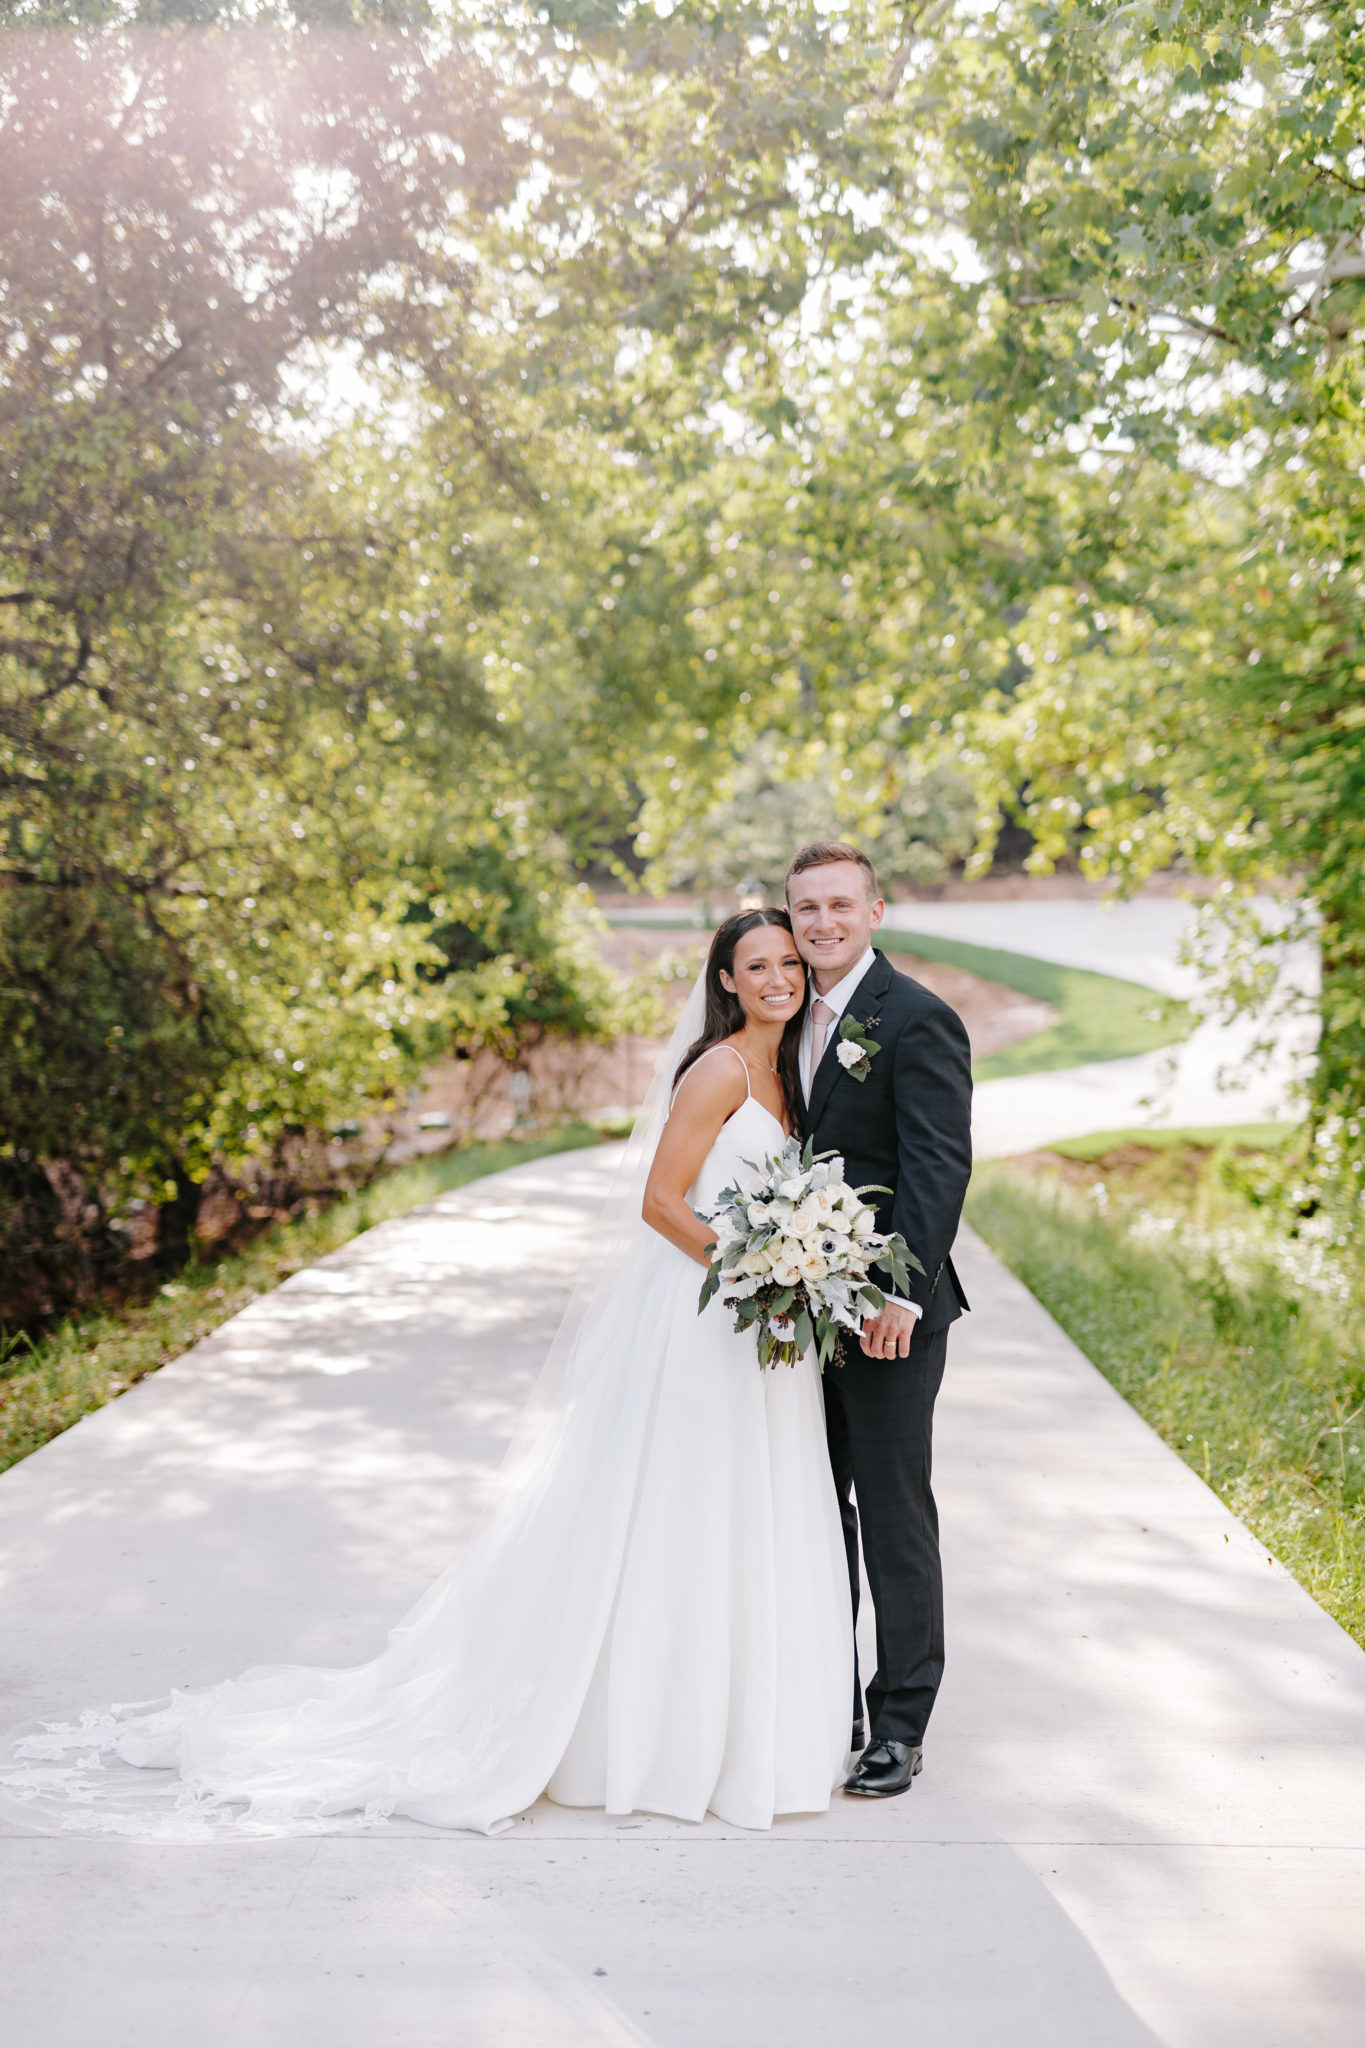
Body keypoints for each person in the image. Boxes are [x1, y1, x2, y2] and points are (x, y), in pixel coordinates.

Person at [0, 910, 854, 1840]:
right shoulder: (721, 1069)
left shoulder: (792, 1069)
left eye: (785, 962)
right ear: (724, 981)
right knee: (685, 1516)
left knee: (744, 1513)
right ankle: (653, 1739)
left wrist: (793, 1266)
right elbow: (659, 1201)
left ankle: (736, 1728)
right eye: (754, 964)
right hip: (706, 1323)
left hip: (759, 1337)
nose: (776, 977)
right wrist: (756, 1267)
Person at [786, 841, 973, 1799]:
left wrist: (900, 1294)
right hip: (798, 1313)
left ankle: (899, 1721)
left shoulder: (918, 1019)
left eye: (839, 905)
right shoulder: (782, 1017)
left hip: (892, 1317)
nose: (822, 922)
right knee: (812, 1511)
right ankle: (830, 1701)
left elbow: (938, 1166)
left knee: (895, 1514)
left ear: (876, 910)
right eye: (805, 908)